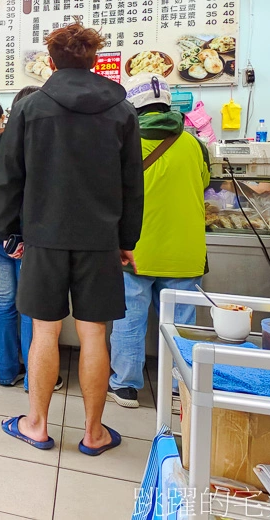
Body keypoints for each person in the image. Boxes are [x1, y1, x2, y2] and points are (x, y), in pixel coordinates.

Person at [0, 22, 144, 456]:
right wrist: (126, 238)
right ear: (94, 60)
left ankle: (36, 425)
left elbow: (9, 177)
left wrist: (11, 231)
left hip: (44, 234)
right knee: (95, 334)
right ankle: (94, 433)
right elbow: (132, 183)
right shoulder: (121, 110)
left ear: (53, 61)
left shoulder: (30, 108)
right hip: (100, 239)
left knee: (44, 329)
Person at [108, 75, 210, 408]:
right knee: (181, 323)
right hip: (185, 250)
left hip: (137, 248)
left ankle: (125, 385)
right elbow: (207, 181)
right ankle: (182, 385)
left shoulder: (124, 141)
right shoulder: (194, 144)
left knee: (129, 318)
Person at [0, 87, 43, 390]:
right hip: (27, 237)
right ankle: (34, 376)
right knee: (30, 305)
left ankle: (6, 371)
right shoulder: (41, 144)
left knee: (3, 300)